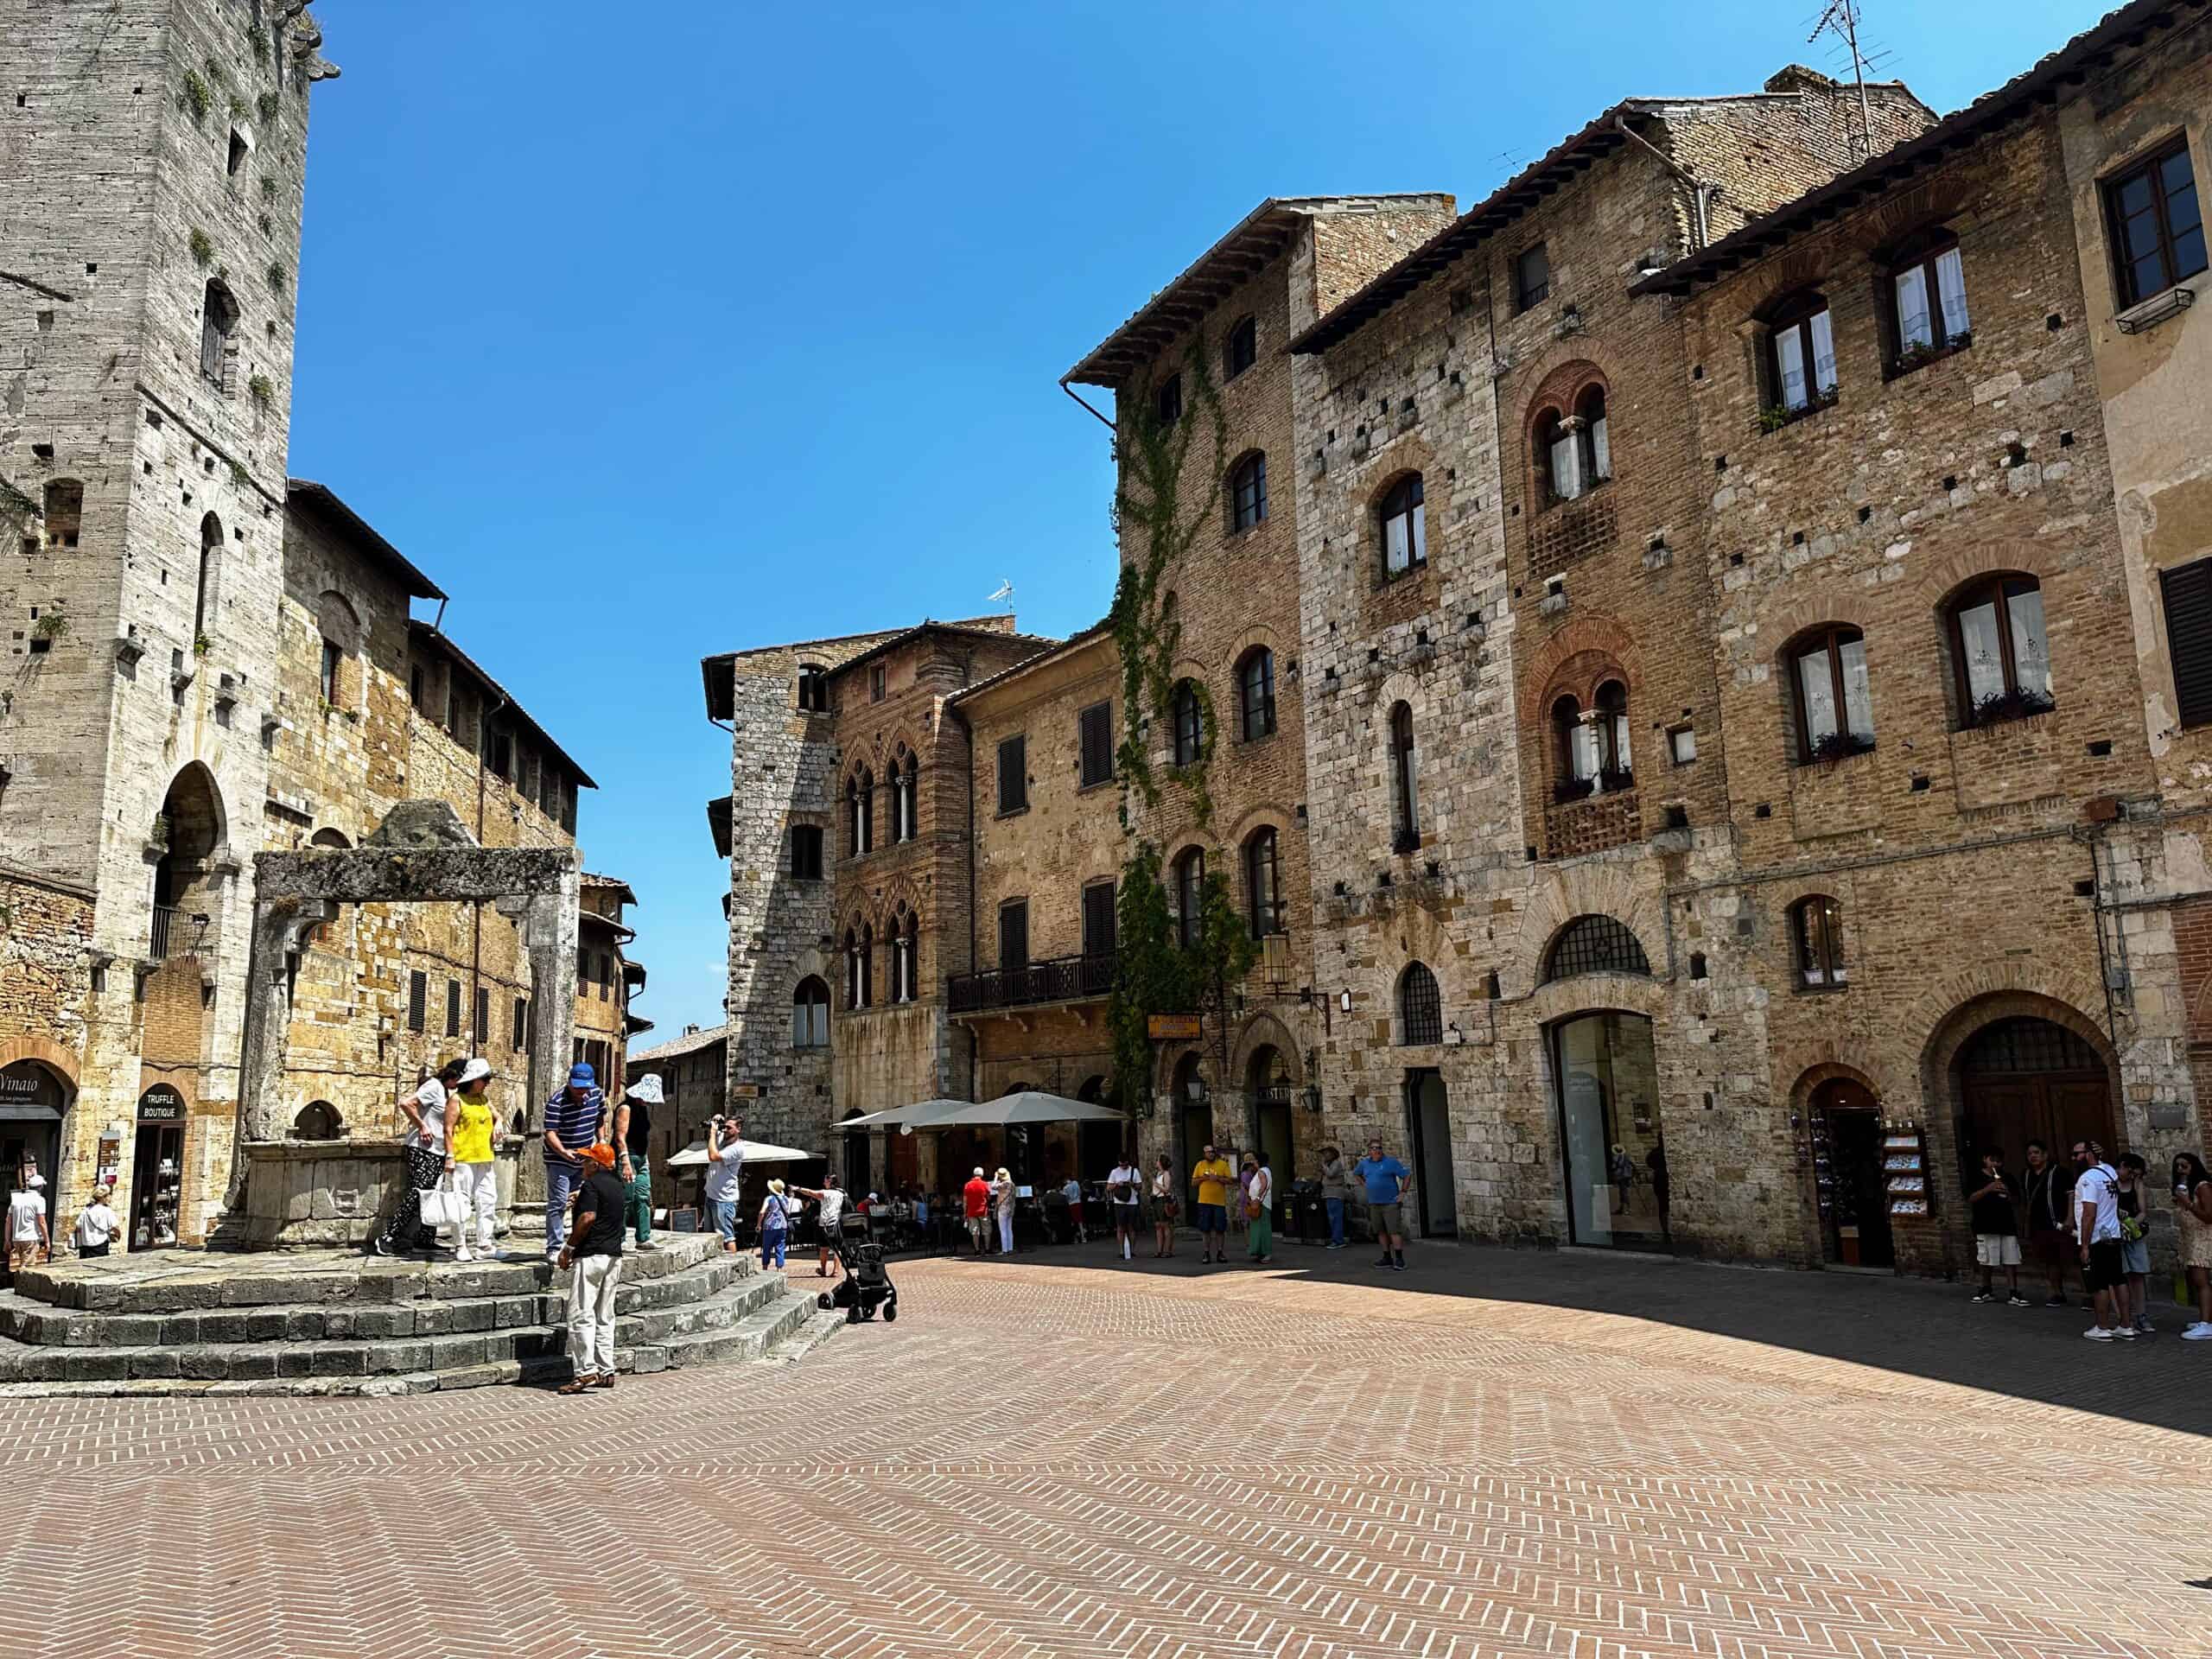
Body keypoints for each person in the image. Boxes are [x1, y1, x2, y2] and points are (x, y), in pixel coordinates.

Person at [374, 1056, 465, 1258]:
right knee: (419, 1193)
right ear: (455, 1076)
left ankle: (425, 1239)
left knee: (431, 1193)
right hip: (423, 1149)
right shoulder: (433, 1086)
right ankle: (387, 1237)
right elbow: (407, 1103)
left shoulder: (446, 1091)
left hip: (437, 1151)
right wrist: (422, 1126)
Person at [556, 1142, 626, 1395]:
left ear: (596, 1164)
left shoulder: (591, 1185)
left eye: (586, 1161)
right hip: (613, 1256)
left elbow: (588, 1218)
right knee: (605, 1315)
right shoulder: (617, 1185)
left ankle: (585, 1372)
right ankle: (606, 1369)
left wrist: (568, 1248)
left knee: (581, 1313)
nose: (582, 1165)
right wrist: (580, 1200)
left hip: (591, 1255)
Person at [542, 1061, 604, 1262]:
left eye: (584, 1087)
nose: (581, 1091)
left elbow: (600, 1117)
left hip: (584, 1158)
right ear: (569, 1082)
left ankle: (577, 1244)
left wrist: (601, 1140)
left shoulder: (596, 1094)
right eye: (577, 1087)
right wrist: (563, 1151)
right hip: (559, 1159)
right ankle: (554, 1246)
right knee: (559, 1202)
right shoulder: (557, 1101)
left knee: (581, 1202)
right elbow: (550, 1132)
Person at [2072, 1139, 2129, 1341]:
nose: (2074, 1158)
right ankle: (2126, 1325)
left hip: (2096, 1236)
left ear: (2088, 1154)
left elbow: (2089, 1213)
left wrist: (2085, 1245)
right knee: (2118, 1279)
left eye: (2078, 1154)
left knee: (2100, 1283)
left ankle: (2103, 1327)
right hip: (2113, 1233)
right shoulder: (2108, 1172)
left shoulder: (2087, 1178)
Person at [444, 1057, 500, 1262]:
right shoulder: (456, 1100)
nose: (487, 1083)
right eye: (485, 1079)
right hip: (463, 1158)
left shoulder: (484, 1100)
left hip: (485, 1157)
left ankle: (484, 1243)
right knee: (461, 1202)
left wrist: (499, 1125)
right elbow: (448, 1129)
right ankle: (460, 1245)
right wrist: (450, 1156)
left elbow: (497, 1116)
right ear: (474, 1079)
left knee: (487, 1200)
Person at [1966, 1149, 2026, 1306]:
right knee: (1987, 1259)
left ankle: (2013, 1292)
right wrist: (1989, 1188)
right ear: (1985, 1159)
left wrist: (2007, 1193)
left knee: (2011, 1258)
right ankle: (1986, 1289)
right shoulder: (1976, 1177)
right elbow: (1970, 1198)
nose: (1995, 1164)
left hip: (2006, 1223)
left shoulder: (2007, 1177)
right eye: (1992, 1160)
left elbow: (2017, 1200)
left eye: (1998, 1161)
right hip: (1985, 1223)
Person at [2022, 1139, 2072, 1306]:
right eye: (2030, 1154)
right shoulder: (2026, 1174)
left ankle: (2088, 1294)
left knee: (2072, 1258)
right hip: (2040, 1225)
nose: (2033, 1156)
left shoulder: (2060, 1172)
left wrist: (2070, 1218)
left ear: (2045, 1155)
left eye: (2036, 1153)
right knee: (2050, 1260)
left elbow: (2071, 1195)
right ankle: (2057, 1292)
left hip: (2060, 1222)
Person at [613, 1071, 660, 1249]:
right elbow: (620, 1137)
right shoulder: (626, 1108)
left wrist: (645, 1159)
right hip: (627, 1156)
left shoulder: (643, 1109)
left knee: (642, 1196)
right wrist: (625, 1161)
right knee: (625, 1198)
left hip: (641, 1158)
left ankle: (643, 1237)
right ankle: (619, 1238)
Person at [1353, 1137, 1414, 1271]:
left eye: (1379, 1148)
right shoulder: (1364, 1164)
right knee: (1380, 1231)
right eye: (1373, 1148)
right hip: (1374, 1203)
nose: (1376, 1150)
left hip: (1390, 1203)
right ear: (1369, 1151)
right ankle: (1387, 1257)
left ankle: (1399, 1259)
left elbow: (1407, 1175)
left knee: (1394, 1231)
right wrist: (1364, 1184)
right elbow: (1356, 1173)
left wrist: (1403, 1192)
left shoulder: (1391, 1162)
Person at [2171, 1152, 2212, 1339]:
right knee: (2196, 1281)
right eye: (2177, 1166)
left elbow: (2209, 1216)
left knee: (2202, 1281)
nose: (2180, 1170)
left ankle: (2205, 1325)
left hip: (2202, 1238)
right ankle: (2206, 1319)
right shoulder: (2186, 1186)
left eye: (2184, 1166)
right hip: (2190, 1237)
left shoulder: (2202, 1187)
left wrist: (2188, 1204)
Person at [2116, 1152, 2155, 1337]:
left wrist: (2131, 1225)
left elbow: (2142, 1211)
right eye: (2130, 1171)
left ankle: (2141, 1314)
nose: (2133, 1176)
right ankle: (2123, 1317)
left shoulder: (2137, 1184)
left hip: (2134, 1234)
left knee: (2137, 1275)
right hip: (2115, 1236)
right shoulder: (2111, 1184)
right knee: (2120, 1276)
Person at [702, 1112, 746, 1253]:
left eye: (729, 1128)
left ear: (738, 1129)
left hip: (724, 1199)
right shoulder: (722, 1139)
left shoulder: (737, 1149)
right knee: (710, 1237)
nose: (726, 1130)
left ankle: (734, 1267)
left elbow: (713, 1156)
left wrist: (714, 1132)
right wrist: (716, 1120)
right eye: (725, 1127)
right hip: (711, 1195)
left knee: (726, 1237)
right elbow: (711, 1142)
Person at [791, 1173, 847, 1277]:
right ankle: (836, 1271)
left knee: (823, 1248)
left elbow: (810, 1193)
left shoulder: (826, 1193)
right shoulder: (841, 1193)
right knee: (837, 1248)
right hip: (836, 1223)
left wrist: (798, 1188)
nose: (823, 1183)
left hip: (825, 1223)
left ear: (830, 1182)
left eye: (825, 1181)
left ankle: (823, 1269)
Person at [1191, 1142, 1234, 1265]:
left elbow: (1230, 1180)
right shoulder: (1200, 1165)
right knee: (1205, 1229)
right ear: (1204, 1154)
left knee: (1220, 1229)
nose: (1211, 1154)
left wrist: (1218, 1178)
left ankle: (1220, 1252)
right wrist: (1204, 1178)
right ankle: (1206, 1252)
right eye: (1208, 1152)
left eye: (1212, 1152)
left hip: (1219, 1202)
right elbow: (1193, 1182)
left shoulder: (1223, 1164)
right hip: (1204, 1202)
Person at [7, 1165, 49, 1280]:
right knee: (28, 1268)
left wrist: (7, 1240)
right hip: (30, 1237)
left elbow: (8, 1222)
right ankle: (21, 1287)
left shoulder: (17, 1198)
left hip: (17, 1238)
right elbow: (42, 1222)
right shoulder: (39, 1200)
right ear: (40, 1187)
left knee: (22, 1264)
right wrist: (47, 1241)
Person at [1107, 1153, 1142, 1262]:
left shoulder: (1134, 1171)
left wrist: (1131, 1184)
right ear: (1119, 1163)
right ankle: (1122, 1251)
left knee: (1131, 1227)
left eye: (1125, 1165)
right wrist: (1118, 1184)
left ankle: (1131, 1251)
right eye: (1122, 1165)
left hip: (1132, 1202)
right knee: (1120, 1227)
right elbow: (1108, 1187)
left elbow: (1140, 1187)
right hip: (1119, 1203)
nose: (1124, 1167)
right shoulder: (1114, 1172)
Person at [73, 1185, 119, 1260]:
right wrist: (118, 1235)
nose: (109, 1197)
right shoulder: (107, 1211)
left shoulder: (85, 1211)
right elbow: (115, 1227)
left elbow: (78, 1227)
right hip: (100, 1247)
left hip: (85, 1247)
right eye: (108, 1195)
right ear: (103, 1197)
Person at [1243, 1152, 1274, 1264]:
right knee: (1260, 1228)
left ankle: (1266, 1253)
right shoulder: (1266, 1170)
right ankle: (1261, 1252)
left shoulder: (1261, 1172)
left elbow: (1264, 1185)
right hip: (1262, 1202)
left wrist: (1257, 1198)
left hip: (1261, 1203)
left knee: (1262, 1228)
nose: (1254, 1163)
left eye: (1255, 1160)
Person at [1319, 1146, 1350, 1250]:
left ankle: (1338, 1241)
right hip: (1329, 1194)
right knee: (1332, 1219)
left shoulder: (1336, 1163)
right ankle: (1336, 1239)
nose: (1324, 1156)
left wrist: (1323, 1166)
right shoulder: (1330, 1164)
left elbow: (1331, 1174)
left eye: (1326, 1153)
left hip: (1335, 1194)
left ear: (1332, 1154)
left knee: (1335, 1218)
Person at [757, 1179, 791, 1269]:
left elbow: (762, 1212)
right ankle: (779, 1268)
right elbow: (787, 1212)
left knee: (766, 1248)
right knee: (780, 1248)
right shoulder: (786, 1199)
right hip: (783, 1226)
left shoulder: (769, 1198)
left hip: (769, 1226)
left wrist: (758, 1225)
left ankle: (765, 1267)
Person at [1151, 1154, 1177, 1258]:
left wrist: (1156, 1184)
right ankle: (1159, 1250)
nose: (1156, 1162)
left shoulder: (1166, 1174)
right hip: (1157, 1200)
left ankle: (1168, 1250)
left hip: (1163, 1200)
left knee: (1166, 1225)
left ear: (1161, 1163)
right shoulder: (1158, 1173)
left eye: (1158, 1160)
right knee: (1158, 1226)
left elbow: (1167, 1189)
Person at [962, 1166, 991, 1254]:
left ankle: (977, 1250)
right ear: (982, 1174)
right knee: (986, 1230)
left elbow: (965, 1201)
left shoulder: (967, 1185)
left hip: (971, 1211)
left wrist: (964, 1212)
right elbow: (989, 1197)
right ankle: (987, 1249)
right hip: (983, 1211)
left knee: (975, 1231)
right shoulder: (985, 1184)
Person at [991, 1166, 1017, 1255]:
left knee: (1003, 1230)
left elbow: (993, 1186)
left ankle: (1004, 1250)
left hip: (1003, 1208)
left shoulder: (1003, 1184)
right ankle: (1010, 1248)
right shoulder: (1012, 1184)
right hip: (1011, 1208)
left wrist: (995, 1177)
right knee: (1009, 1229)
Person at [1059, 1174, 1087, 1244]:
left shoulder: (1065, 1188)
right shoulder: (1076, 1183)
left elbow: (1066, 1199)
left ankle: (1075, 1239)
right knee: (1080, 1222)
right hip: (1078, 1203)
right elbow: (1080, 1193)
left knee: (1073, 1222)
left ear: (1064, 1180)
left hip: (1071, 1205)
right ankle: (1083, 1238)